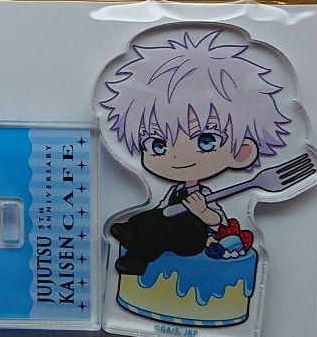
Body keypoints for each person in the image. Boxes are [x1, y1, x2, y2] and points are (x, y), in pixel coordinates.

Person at [96, 29, 292, 276]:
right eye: (158, 144)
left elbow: (218, 221)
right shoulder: (175, 190)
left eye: (206, 141)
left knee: (165, 231)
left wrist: (202, 212)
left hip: (192, 240)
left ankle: (138, 258)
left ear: (241, 152)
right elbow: (163, 208)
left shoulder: (206, 194)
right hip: (168, 226)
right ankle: (132, 234)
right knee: (153, 219)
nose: (177, 156)